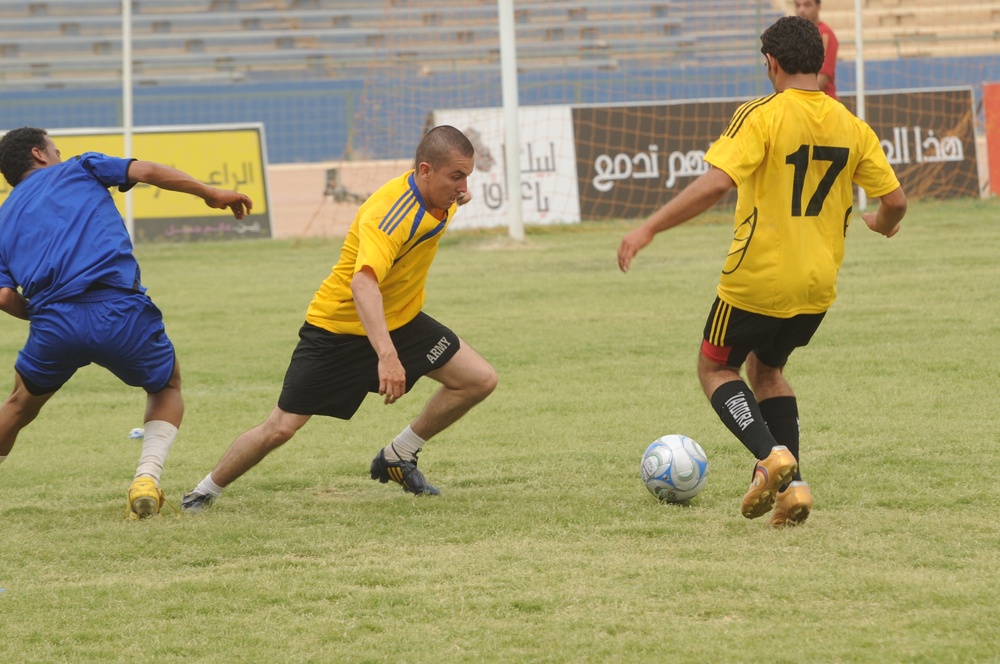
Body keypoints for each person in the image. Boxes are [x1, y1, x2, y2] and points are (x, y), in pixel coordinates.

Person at [617, 17, 906, 528]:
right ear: (818, 62)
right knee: (768, 370)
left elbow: (714, 184)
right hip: (818, 285)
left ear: (771, 63)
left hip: (756, 277)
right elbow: (896, 201)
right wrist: (881, 224)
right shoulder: (851, 124)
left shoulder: (761, 113)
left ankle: (769, 457)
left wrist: (649, 230)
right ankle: (793, 489)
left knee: (714, 368)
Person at [181, 125, 497, 512]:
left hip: (400, 318)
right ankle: (202, 492)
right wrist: (387, 355)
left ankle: (398, 455)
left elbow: (445, 206)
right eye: (456, 176)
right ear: (425, 170)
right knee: (281, 427)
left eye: (467, 176)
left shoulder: (443, 195)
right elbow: (363, 286)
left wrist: (457, 196)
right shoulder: (388, 215)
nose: (463, 186)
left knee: (478, 379)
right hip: (338, 329)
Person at [0, 126, 253, 519]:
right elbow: (147, 171)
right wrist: (210, 193)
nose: (60, 155)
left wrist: (49, 311)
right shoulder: (81, 167)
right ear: (39, 153)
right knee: (166, 384)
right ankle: (146, 478)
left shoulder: (3, 218)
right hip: (117, 308)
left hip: (53, 322)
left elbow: (3, 296)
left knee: (18, 405)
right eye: (55, 150)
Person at [795, 0, 838, 99]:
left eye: (807, 5)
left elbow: (822, 78)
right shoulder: (794, 35)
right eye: (798, 5)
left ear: (818, 7)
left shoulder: (825, 34)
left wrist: (799, 98)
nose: (801, 10)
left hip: (822, 104)